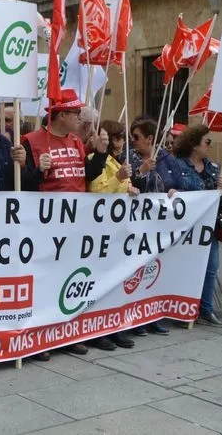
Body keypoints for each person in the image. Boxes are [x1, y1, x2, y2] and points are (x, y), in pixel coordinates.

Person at [19, 89, 106, 356]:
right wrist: (38, 169)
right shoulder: (31, 141)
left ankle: (68, 333)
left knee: (70, 277)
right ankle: (40, 337)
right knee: (45, 280)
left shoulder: (76, 142)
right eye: (76, 114)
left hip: (75, 222)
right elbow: (23, 184)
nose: (81, 119)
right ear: (61, 115)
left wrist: (100, 155)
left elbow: (84, 175)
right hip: (46, 224)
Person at [159, 124, 222, 327]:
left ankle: (205, 310)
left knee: (211, 268)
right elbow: (167, 188)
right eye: (207, 141)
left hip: (209, 228)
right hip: (186, 229)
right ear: (194, 145)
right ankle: (183, 309)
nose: (210, 145)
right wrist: (172, 192)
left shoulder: (214, 168)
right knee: (186, 268)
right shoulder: (178, 165)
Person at [84, 125, 138, 350]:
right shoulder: (94, 160)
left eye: (119, 138)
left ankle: (114, 326)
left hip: (118, 230)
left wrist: (130, 187)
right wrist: (118, 178)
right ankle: (98, 332)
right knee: (100, 281)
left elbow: (119, 189)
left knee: (116, 280)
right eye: (111, 138)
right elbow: (98, 192)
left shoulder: (117, 161)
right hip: (100, 230)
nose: (117, 143)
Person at [127, 117, 172, 336]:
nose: (132, 141)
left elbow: (175, 182)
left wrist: (174, 191)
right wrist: (141, 171)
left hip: (160, 226)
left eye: (136, 137)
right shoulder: (129, 158)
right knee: (137, 272)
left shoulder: (165, 158)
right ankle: (136, 318)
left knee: (156, 272)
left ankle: (153, 315)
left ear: (150, 139)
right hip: (137, 225)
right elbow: (127, 185)